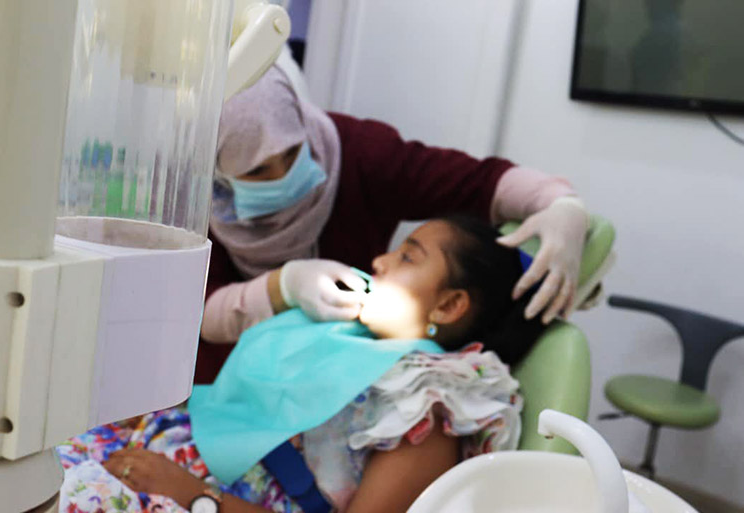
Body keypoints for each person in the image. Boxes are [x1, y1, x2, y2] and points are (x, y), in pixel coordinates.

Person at [58, 216, 545, 513]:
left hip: (193, 495)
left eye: (407, 258)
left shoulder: (428, 404)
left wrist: (193, 495)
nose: (380, 261)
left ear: (449, 306)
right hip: (155, 453)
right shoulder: (349, 335)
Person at [196, 64, 589, 383]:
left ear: (450, 306)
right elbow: (193, 310)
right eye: (258, 171)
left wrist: (561, 204)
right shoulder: (190, 195)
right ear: (217, 174)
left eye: (293, 152)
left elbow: (479, 183)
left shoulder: (365, 155)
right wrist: (281, 287)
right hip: (220, 383)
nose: (378, 262)